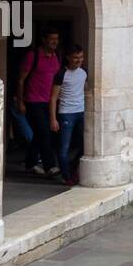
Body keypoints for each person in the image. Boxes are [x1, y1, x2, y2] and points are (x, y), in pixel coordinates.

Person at [16, 28, 62, 177]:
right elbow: (21, 79)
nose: (55, 42)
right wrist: (21, 101)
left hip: (50, 101)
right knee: (44, 132)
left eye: (56, 39)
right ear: (44, 39)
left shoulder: (57, 57)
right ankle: (50, 166)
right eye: (52, 38)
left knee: (39, 134)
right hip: (34, 101)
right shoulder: (33, 56)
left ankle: (30, 163)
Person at [49, 45, 87, 184]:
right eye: (76, 57)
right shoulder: (61, 74)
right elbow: (53, 97)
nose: (79, 60)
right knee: (64, 147)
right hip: (66, 113)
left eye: (81, 57)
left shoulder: (84, 72)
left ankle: (72, 167)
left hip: (81, 111)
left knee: (86, 144)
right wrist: (53, 119)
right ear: (68, 58)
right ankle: (67, 176)